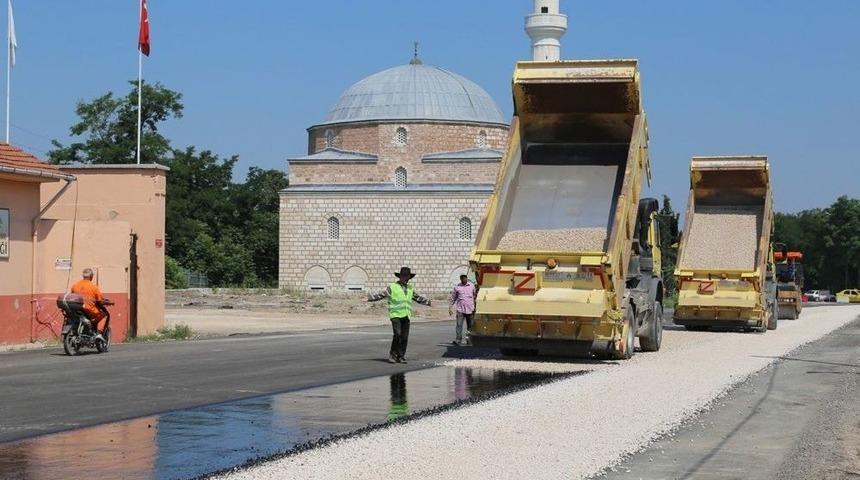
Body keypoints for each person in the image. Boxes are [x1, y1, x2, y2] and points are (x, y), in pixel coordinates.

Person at [367, 266, 432, 364]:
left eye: (408, 277)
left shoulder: (410, 288)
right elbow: (381, 295)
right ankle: (393, 355)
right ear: (400, 277)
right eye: (405, 276)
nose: (406, 279)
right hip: (395, 315)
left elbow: (417, 298)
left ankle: (401, 356)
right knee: (397, 334)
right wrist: (368, 299)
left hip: (406, 315)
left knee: (404, 337)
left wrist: (429, 302)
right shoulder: (393, 287)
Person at [70, 268, 107, 337]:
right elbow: (100, 300)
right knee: (103, 316)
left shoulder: (75, 285)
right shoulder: (93, 287)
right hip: (89, 309)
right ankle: (99, 334)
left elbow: (71, 296)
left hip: (77, 308)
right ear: (91, 276)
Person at [449, 274, 477, 345]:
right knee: (459, 325)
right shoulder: (457, 287)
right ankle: (458, 340)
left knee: (470, 326)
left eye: (465, 278)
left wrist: (475, 306)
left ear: (467, 278)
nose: (464, 279)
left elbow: (475, 296)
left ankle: (469, 340)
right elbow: (453, 298)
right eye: (463, 278)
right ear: (461, 279)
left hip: (470, 309)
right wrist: (450, 307)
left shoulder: (471, 286)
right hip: (460, 309)